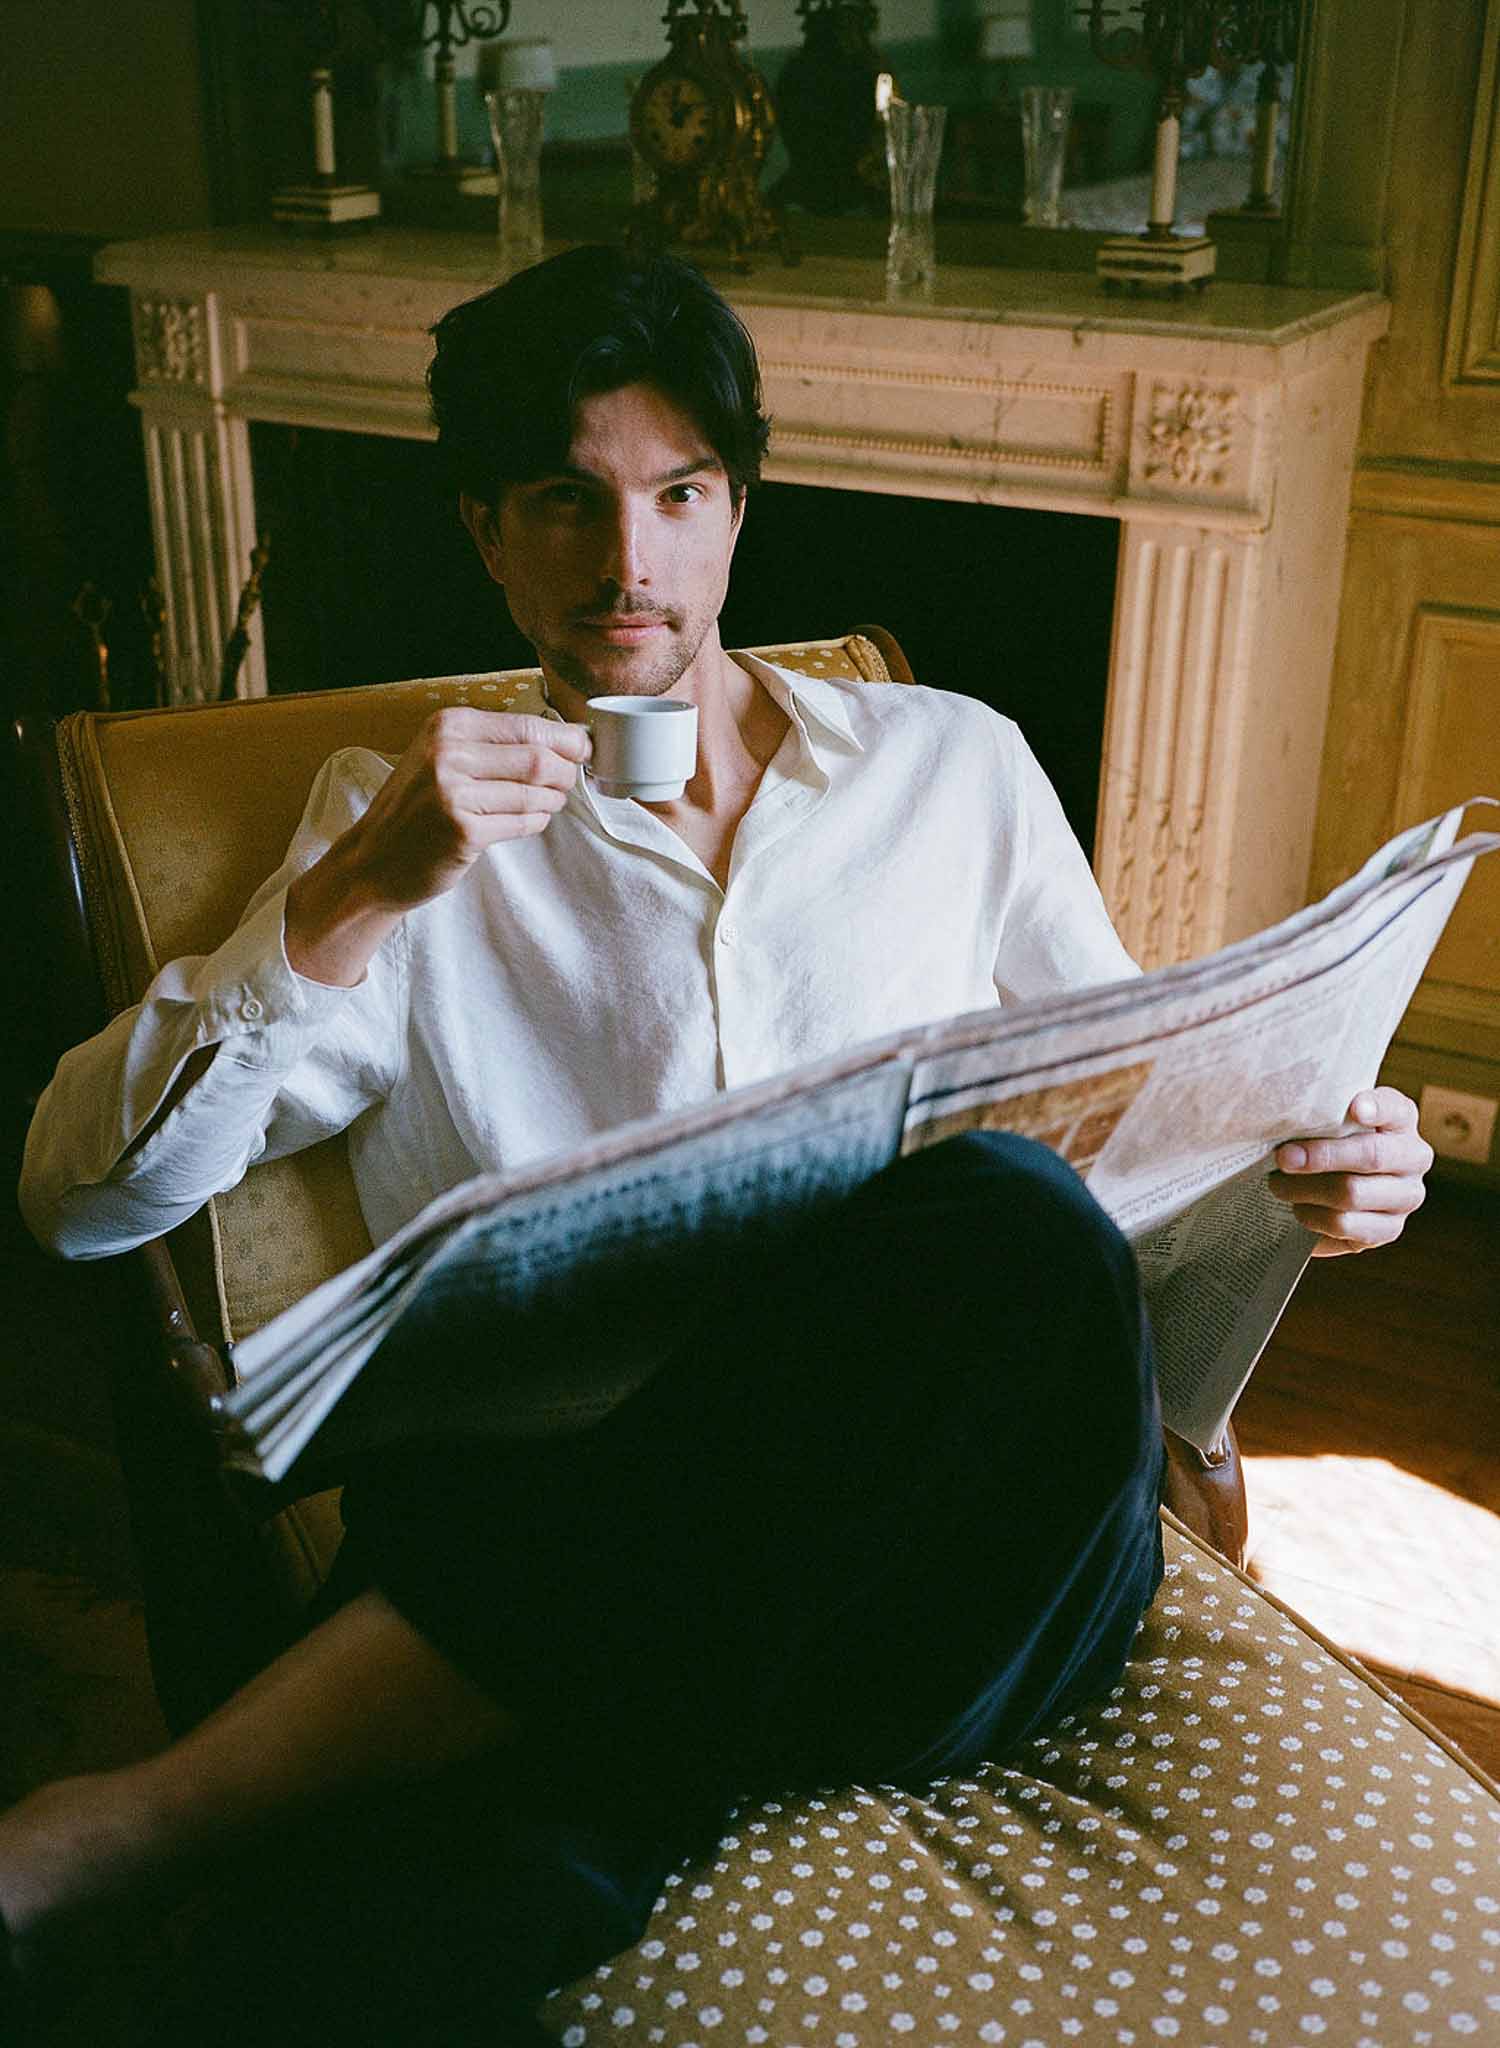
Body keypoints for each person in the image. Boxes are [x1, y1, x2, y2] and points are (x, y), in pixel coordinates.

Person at [8, 247, 1433, 2044]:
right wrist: (349, 902)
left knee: (1002, 1217)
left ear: (738, 511)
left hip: (956, 1550)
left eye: (679, 497)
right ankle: (520, 1854)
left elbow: (1139, 1147)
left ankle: (143, 1825)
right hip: (595, 1519)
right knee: (616, 1605)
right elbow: (75, 1202)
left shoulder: (955, 769)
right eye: (569, 502)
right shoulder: (398, 831)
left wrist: (1314, 1171)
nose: (630, 564)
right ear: (489, 533)